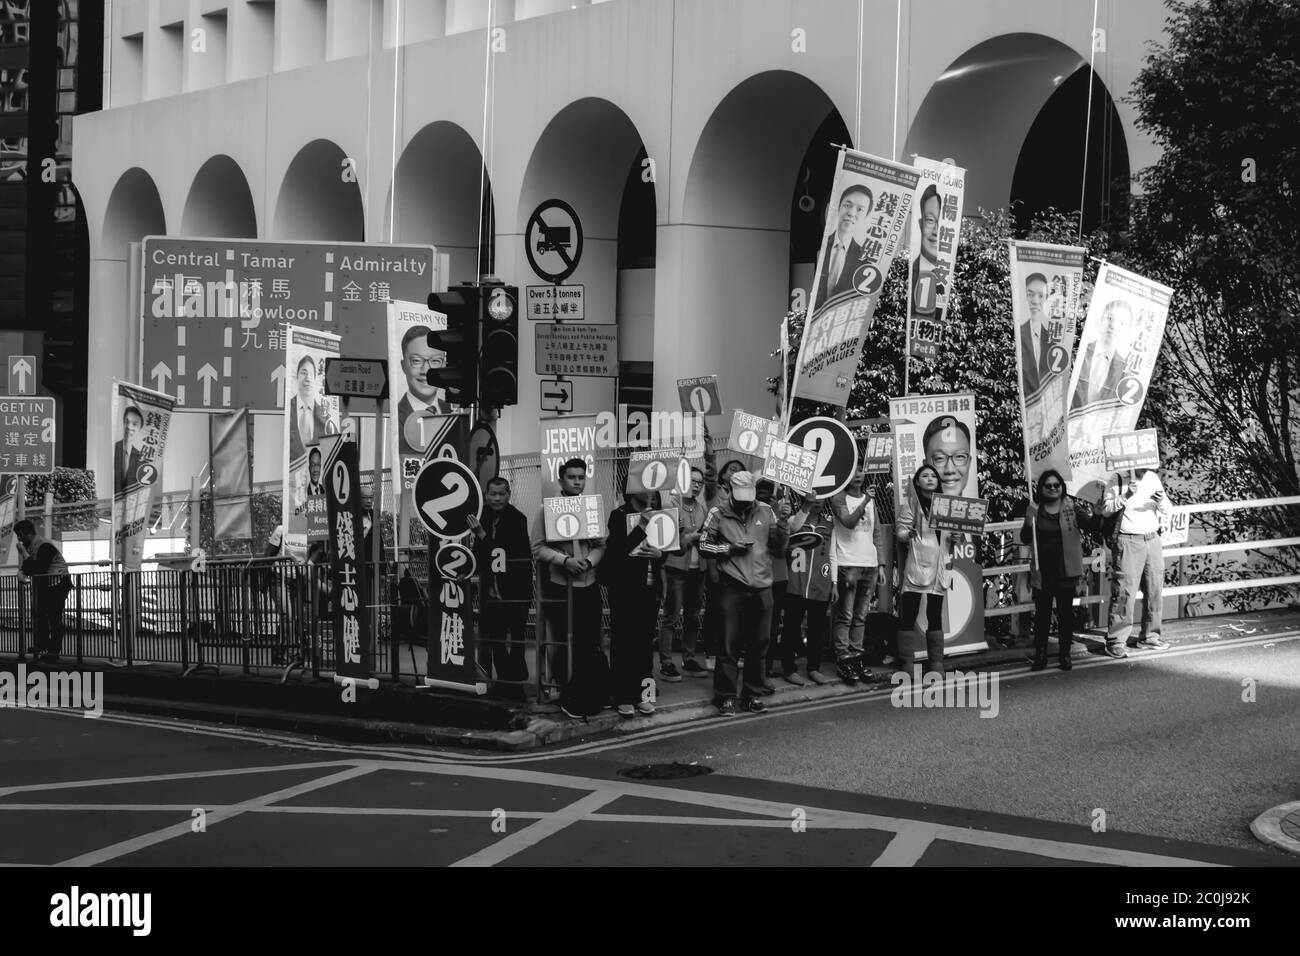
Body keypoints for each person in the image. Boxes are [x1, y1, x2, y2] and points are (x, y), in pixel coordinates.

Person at [700, 470, 791, 716]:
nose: (746, 502)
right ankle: (726, 696)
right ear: (729, 490)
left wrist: (783, 524)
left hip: (762, 587)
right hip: (732, 586)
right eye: (741, 497)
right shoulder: (717, 513)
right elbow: (703, 545)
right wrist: (728, 549)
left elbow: (779, 548)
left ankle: (751, 694)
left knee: (759, 644)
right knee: (729, 645)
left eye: (749, 497)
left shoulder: (766, 510)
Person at [531, 458, 606, 709]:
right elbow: (538, 548)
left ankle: (589, 692)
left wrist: (589, 562)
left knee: (590, 641)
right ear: (561, 480)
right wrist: (565, 561)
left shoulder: (591, 507)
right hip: (560, 585)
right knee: (562, 641)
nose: (577, 481)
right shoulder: (546, 509)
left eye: (581, 477)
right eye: (572, 477)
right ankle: (566, 692)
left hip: (589, 582)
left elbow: (600, 545)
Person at [1020, 469, 1100, 671]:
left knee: (1065, 616)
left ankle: (1065, 654)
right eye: (1048, 485)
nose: (1053, 488)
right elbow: (1025, 538)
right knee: (1042, 616)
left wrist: (1097, 514)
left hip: (1066, 571)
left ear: (1062, 487)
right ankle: (1041, 656)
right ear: (1041, 488)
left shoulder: (1071, 507)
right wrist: (1029, 520)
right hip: (1043, 572)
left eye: (1057, 485)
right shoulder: (1034, 508)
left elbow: (1092, 527)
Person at [601, 488, 664, 717]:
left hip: (650, 588)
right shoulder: (619, 515)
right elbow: (617, 551)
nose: (648, 491)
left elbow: (665, 548)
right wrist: (641, 527)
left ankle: (645, 695)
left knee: (645, 643)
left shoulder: (659, 513)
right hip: (625, 588)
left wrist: (661, 555)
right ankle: (623, 696)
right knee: (623, 643)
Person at [468, 477, 532, 701]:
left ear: (508, 495)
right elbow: (480, 554)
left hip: (515, 590)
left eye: (501, 494)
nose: (496, 498)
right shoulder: (482, 516)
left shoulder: (517, 519)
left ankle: (516, 685)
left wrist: (482, 534)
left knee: (516, 639)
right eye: (492, 494)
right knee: (495, 639)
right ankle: (504, 682)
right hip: (491, 590)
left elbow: (502, 555)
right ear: (485, 495)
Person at [1102, 467, 1173, 658]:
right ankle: (1115, 640)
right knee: (1125, 591)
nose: (1149, 466)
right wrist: (1126, 495)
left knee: (1155, 588)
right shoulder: (1118, 477)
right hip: (1128, 540)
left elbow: (1167, 510)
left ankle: (1150, 636)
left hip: (1152, 538)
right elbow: (1106, 510)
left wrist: (1161, 501)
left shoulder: (1153, 478)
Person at [895, 464, 956, 677]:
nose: (929, 478)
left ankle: (936, 663)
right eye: (924, 475)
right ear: (917, 481)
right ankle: (907, 664)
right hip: (918, 564)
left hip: (940, 565)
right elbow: (901, 530)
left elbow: (953, 534)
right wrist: (907, 534)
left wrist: (956, 538)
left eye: (933, 476)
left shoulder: (948, 504)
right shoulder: (911, 503)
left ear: (938, 481)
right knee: (909, 613)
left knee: (935, 614)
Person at [657, 463, 715, 681]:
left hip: (697, 570)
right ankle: (666, 662)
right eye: (693, 481)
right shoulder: (672, 503)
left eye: (700, 482)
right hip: (675, 568)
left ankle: (688, 659)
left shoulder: (702, 509)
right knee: (671, 616)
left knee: (692, 616)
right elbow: (666, 537)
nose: (697, 486)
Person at [830, 466, 887, 684]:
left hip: (869, 565)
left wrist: (881, 565)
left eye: (861, 470)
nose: (857, 475)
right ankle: (843, 658)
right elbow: (849, 522)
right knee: (844, 615)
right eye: (852, 470)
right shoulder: (839, 499)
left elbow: (877, 533)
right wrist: (864, 502)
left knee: (861, 615)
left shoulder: (871, 500)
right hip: (848, 563)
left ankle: (856, 656)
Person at [779, 493, 835, 684]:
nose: (818, 500)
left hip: (821, 582)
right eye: (814, 495)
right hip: (796, 581)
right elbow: (790, 531)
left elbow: (833, 554)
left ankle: (814, 667)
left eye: (822, 496)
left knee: (817, 629)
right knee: (791, 627)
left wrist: (833, 582)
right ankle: (789, 668)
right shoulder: (796, 520)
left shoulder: (829, 524)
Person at [15, 519, 72, 665]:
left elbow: (37, 568)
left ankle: (53, 651)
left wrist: (23, 554)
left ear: (28, 533)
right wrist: (22, 570)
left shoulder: (43, 545)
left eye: (20, 535)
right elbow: (31, 569)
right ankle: (44, 645)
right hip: (47, 584)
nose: (19, 539)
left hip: (58, 583)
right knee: (40, 613)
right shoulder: (33, 546)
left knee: (54, 617)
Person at [396, 324, 456, 457]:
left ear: (444, 365)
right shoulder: (394, 417)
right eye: (416, 361)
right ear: (403, 366)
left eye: (435, 361)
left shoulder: (454, 415)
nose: (425, 371)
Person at [815, 184, 873, 304]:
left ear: (866, 216)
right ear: (839, 208)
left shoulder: (865, 261)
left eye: (860, 209)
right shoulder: (820, 247)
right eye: (847, 205)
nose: (851, 213)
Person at [1071, 300, 1134, 409]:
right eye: (1110, 318)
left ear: (1128, 330)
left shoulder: (1125, 373)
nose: (1113, 326)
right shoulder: (1077, 350)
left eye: (1122, 323)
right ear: (1101, 319)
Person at [759, 478, 790, 692]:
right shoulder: (753, 511)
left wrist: (782, 518)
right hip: (757, 575)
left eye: (767, 491)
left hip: (777, 576)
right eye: (760, 490)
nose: (764, 494)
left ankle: (765, 670)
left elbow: (780, 547)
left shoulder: (780, 510)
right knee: (758, 628)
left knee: (770, 626)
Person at [288, 355, 338, 461]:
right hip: (291, 473)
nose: (307, 378)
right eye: (304, 373)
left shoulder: (325, 415)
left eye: (311, 374)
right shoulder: (287, 409)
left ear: (315, 380)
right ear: (297, 377)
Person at [1018, 272, 1053, 397]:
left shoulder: (1052, 341)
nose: (1035, 301)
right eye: (1030, 294)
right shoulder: (1016, 334)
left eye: (1041, 296)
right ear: (1024, 297)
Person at [922, 414, 973, 497]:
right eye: (939, 458)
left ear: (969, 463)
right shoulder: (912, 509)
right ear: (925, 466)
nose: (950, 470)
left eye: (959, 457)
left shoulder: (979, 508)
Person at [113, 405, 144, 493]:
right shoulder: (112, 450)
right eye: (126, 422)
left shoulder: (141, 458)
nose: (129, 427)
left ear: (140, 428)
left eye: (134, 424)